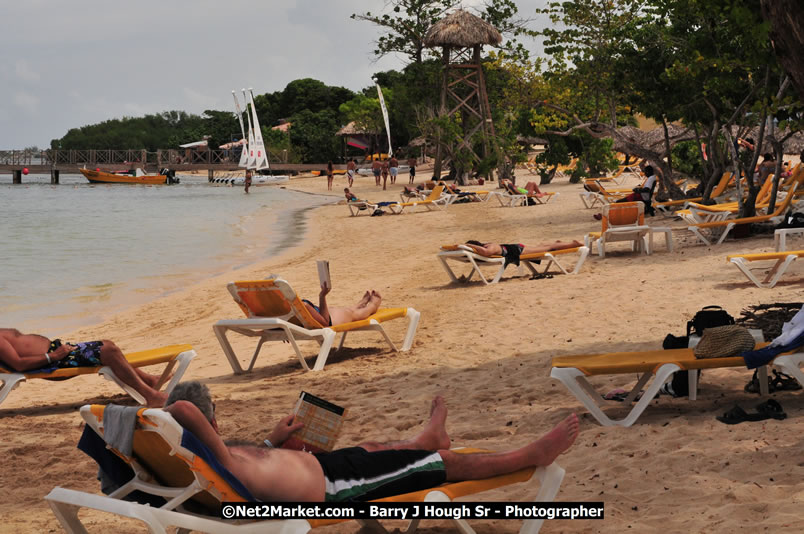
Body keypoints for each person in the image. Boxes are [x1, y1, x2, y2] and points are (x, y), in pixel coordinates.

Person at [164, 381, 580, 503]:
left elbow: (249, 464)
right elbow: (185, 413)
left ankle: (423, 437)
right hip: (333, 490)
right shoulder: (216, 455)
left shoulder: (197, 459)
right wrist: (176, 414)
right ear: (210, 420)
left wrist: (273, 442)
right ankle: (527, 455)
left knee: (369, 449)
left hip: (328, 471)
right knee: (439, 463)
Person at [0, 328, 171, 407]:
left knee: (108, 347)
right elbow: (19, 364)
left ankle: (148, 380)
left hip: (57, 354)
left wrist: (57, 352)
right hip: (54, 362)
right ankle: (151, 395)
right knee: (108, 350)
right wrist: (54, 355)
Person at [301, 282, 383, 326]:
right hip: (328, 321)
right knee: (351, 314)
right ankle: (373, 307)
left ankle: (358, 305)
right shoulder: (303, 306)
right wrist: (322, 296)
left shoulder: (289, 306)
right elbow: (325, 322)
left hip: (317, 315)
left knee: (342, 310)